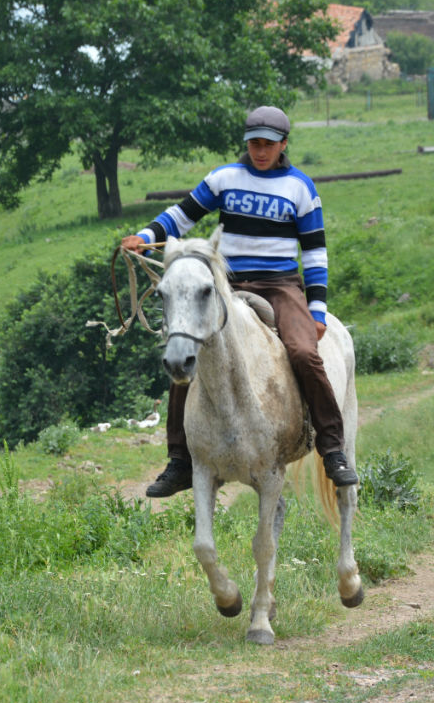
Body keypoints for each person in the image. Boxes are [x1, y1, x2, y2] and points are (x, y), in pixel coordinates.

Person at [121, 105, 359, 497]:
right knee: (187, 346)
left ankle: (332, 447)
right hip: (228, 285)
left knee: (303, 351)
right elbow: (182, 216)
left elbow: (315, 253)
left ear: (283, 144)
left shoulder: (301, 188)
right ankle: (180, 460)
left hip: (281, 285)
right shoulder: (224, 179)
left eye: (267, 144)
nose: (260, 151)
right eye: (253, 144)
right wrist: (145, 236)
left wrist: (316, 309)